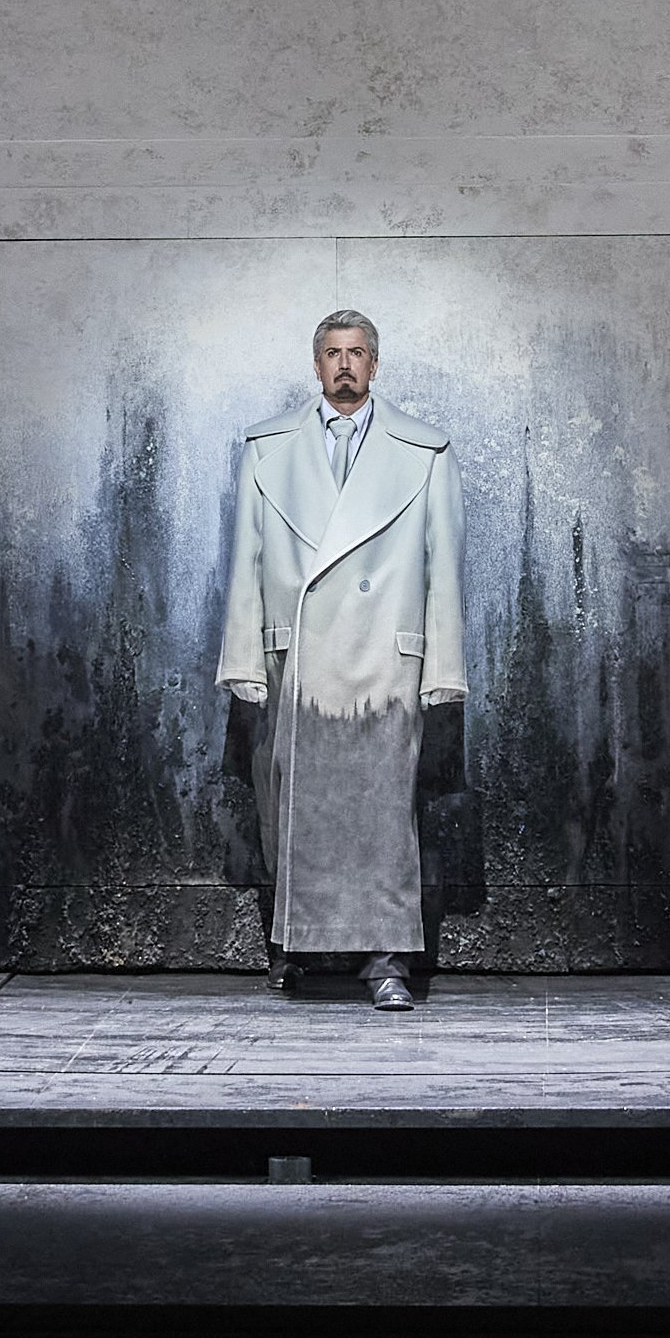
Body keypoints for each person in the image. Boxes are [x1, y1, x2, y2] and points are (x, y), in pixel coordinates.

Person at [216, 310, 471, 1011]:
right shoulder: (268, 447)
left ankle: (386, 959)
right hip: (299, 662)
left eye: (357, 352)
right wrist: (243, 659)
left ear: (375, 364)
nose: (345, 364)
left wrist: (444, 670)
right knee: (290, 809)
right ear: (317, 363)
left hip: (384, 661)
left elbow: (444, 566)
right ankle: (292, 943)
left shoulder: (425, 450)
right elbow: (246, 560)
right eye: (333, 352)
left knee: (383, 815)